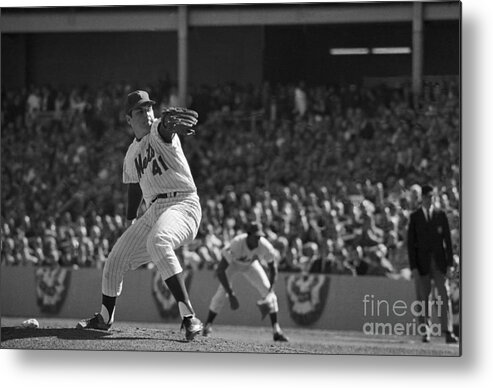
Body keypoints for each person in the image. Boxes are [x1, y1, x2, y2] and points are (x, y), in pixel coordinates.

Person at [76, 90, 204, 341]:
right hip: (154, 210)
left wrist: (167, 124)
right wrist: (130, 221)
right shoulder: (131, 154)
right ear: (128, 119)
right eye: (139, 110)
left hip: (183, 203)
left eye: (148, 108)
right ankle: (105, 317)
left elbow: (165, 129)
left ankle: (190, 317)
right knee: (115, 258)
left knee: (158, 241)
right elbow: (134, 187)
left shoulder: (158, 130)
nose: (146, 113)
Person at [202, 221, 289, 342]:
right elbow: (220, 270)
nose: (258, 239)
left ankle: (276, 331)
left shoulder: (265, 246)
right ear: (248, 235)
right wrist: (231, 294)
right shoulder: (237, 243)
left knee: (270, 293)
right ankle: (207, 326)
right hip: (233, 264)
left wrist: (271, 290)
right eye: (255, 236)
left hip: (250, 265)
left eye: (260, 237)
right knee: (222, 293)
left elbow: (273, 268)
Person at [407, 184, 458, 344]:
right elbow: (411, 244)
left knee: (444, 295)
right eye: (428, 197)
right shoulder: (415, 217)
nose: (430, 200)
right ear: (422, 198)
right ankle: (425, 332)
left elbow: (447, 242)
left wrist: (449, 264)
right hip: (422, 264)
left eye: (432, 197)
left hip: (439, 263)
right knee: (423, 299)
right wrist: (413, 267)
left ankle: (448, 331)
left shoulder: (440, 215)